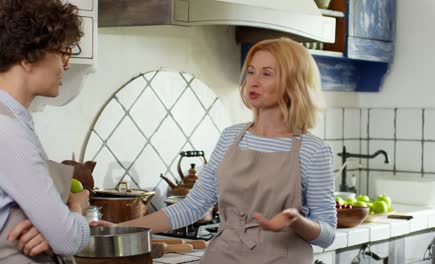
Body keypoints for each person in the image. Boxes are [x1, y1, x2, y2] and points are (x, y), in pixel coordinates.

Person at [92, 37, 336, 263]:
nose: (253, 81)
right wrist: (120, 230)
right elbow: (193, 206)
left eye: (267, 74)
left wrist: (297, 221)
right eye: (251, 71)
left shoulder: (313, 150)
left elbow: (327, 234)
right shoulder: (231, 137)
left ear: (292, 83)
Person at [0, 0, 90, 262]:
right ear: (29, 57)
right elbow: (69, 239)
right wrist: (76, 207)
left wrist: (49, 228)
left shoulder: (14, 121)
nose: (66, 65)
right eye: (63, 53)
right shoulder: (8, 130)